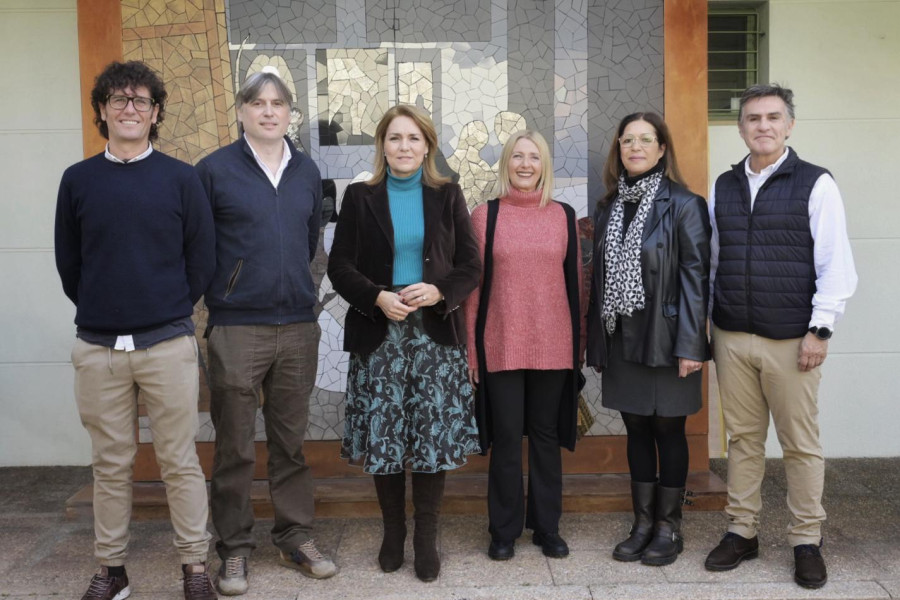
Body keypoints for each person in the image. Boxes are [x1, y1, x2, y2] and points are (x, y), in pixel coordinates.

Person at [54, 60, 217, 600]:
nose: (130, 109)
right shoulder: (77, 180)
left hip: (167, 343)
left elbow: (201, 259)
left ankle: (195, 566)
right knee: (110, 463)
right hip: (98, 348)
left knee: (179, 461)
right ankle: (111, 570)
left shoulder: (180, 178)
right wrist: (108, 309)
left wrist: (163, 307)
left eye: (141, 101)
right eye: (119, 100)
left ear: (155, 113)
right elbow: (69, 265)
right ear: (102, 111)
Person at [704, 84, 857, 589]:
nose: (762, 125)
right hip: (731, 335)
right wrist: (707, 325)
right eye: (752, 118)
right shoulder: (722, 187)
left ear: (789, 125)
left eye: (773, 117)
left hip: (792, 339)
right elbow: (712, 264)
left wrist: (820, 329)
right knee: (743, 440)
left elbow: (836, 265)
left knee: (799, 443)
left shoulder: (815, 183)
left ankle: (805, 539)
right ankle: (741, 530)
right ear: (741, 127)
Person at [327, 104, 482, 582]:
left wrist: (439, 291)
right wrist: (376, 296)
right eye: (395, 138)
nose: (404, 147)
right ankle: (393, 533)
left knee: (431, 437)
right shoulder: (359, 196)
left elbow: (471, 266)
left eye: (413, 139)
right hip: (381, 335)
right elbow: (340, 266)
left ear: (428, 145)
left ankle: (426, 537)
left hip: (434, 336)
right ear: (382, 145)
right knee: (386, 435)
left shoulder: (448, 194)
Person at [196, 68, 334, 596]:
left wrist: (305, 291)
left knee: (290, 444)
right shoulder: (213, 171)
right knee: (233, 446)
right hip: (236, 326)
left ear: (290, 112)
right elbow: (197, 248)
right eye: (258, 103)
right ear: (241, 111)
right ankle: (233, 549)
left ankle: (295, 535)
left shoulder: (305, 170)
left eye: (279, 103)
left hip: (298, 326)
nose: (269, 111)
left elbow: (310, 243)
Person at [585, 112, 711, 566]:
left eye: (646, 140)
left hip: (668, 337)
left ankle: (668, 526)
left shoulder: (684, 203)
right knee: (635, 427)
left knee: (668, 428)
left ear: (662, 149)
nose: (635, 147)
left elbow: (696, 278)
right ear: (619, 150)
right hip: (622, 337)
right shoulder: (607, 207)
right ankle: (641, 522)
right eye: (627, 141)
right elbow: (598, 280)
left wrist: (692, 345)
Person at [465, 130, 584, 562]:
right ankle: (504, 530)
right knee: (507, 438)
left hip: (554, 346)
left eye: (534, 157)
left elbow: (576, 287)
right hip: (501, 344)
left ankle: (547, 527)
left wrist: (578, 349)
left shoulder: (563, 216)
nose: (526, 164)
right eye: (518, 156)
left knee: (547, 440)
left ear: (545, 165)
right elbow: (474, 290)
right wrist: (472, 351)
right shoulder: (485, 216)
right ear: (506, 163)